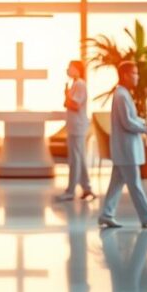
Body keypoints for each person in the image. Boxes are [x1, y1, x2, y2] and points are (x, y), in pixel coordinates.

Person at [99, 61, 147, 229]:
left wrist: (142, 123)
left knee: (116, 184)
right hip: (126, 150)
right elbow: (127, 122)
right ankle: (146, 215)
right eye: (134, 74)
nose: (137, 77)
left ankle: (106, 214)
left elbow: (130, 118)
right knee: (135, 184)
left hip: (124, 150)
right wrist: (145, 129)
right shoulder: (121, 95)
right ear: (125, 75)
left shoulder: (123, 94)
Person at [57, 59, 95, 202]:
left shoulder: (79, 84)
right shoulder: (75, 84)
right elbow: (67, 103)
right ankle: (87, 188)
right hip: (74, 126)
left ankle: (71, 191)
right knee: (80, 158)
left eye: (70, 67)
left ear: (77, 69)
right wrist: (66, 95)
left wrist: (67, 95)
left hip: (77, 127)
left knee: (75, 159)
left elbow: (75, 105)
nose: (68, 70)